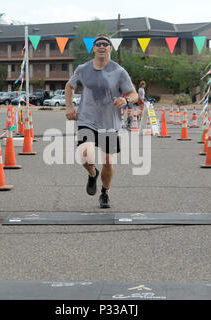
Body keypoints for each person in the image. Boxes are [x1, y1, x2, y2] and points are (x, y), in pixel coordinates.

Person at [65, 34, 138, 209]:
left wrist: (126, 100)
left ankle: (105, 193)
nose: (102, 46)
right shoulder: (83, 69)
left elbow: (134, 94)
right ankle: (92, 173)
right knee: (85, 156)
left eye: (106, 44)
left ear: (111, 48)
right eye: (98, 44)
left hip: (110, 124)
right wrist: (69, 107)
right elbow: (70, 85)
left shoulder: (119, 71)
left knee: (108, 161)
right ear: (94, 48)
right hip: (86, 120)